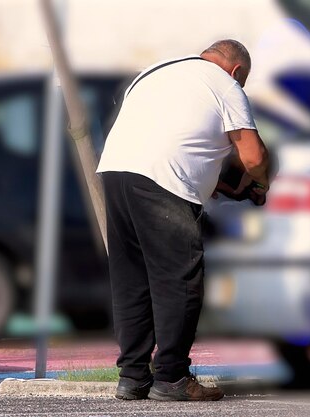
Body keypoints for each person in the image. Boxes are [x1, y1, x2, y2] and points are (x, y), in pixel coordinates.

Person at [96, 39, 271, 401]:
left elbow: (171, 141)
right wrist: (260, 181)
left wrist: (222, 186)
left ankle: (132, 378)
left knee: (132, 279)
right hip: (162, 181)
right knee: (179, 279)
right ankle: (172, 378)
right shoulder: (226, 85)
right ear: (237, 71)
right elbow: (253, 157)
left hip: (115, 172)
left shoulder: (156, 71)